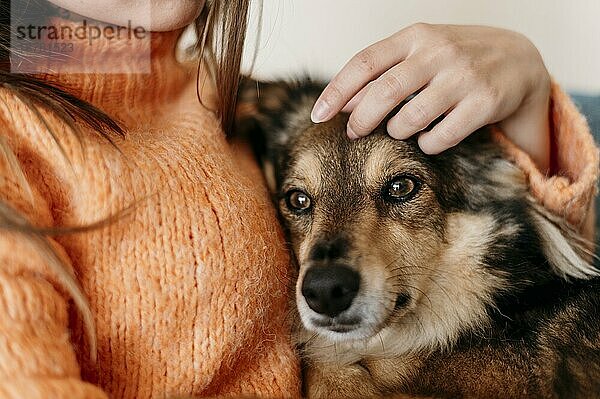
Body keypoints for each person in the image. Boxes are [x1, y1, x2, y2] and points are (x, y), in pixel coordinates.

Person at [0, 1, 596, 399]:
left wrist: (526, 90)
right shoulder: (13, 137)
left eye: (398, 189)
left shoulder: (239, 107)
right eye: (300, 202)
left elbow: (533, 274)